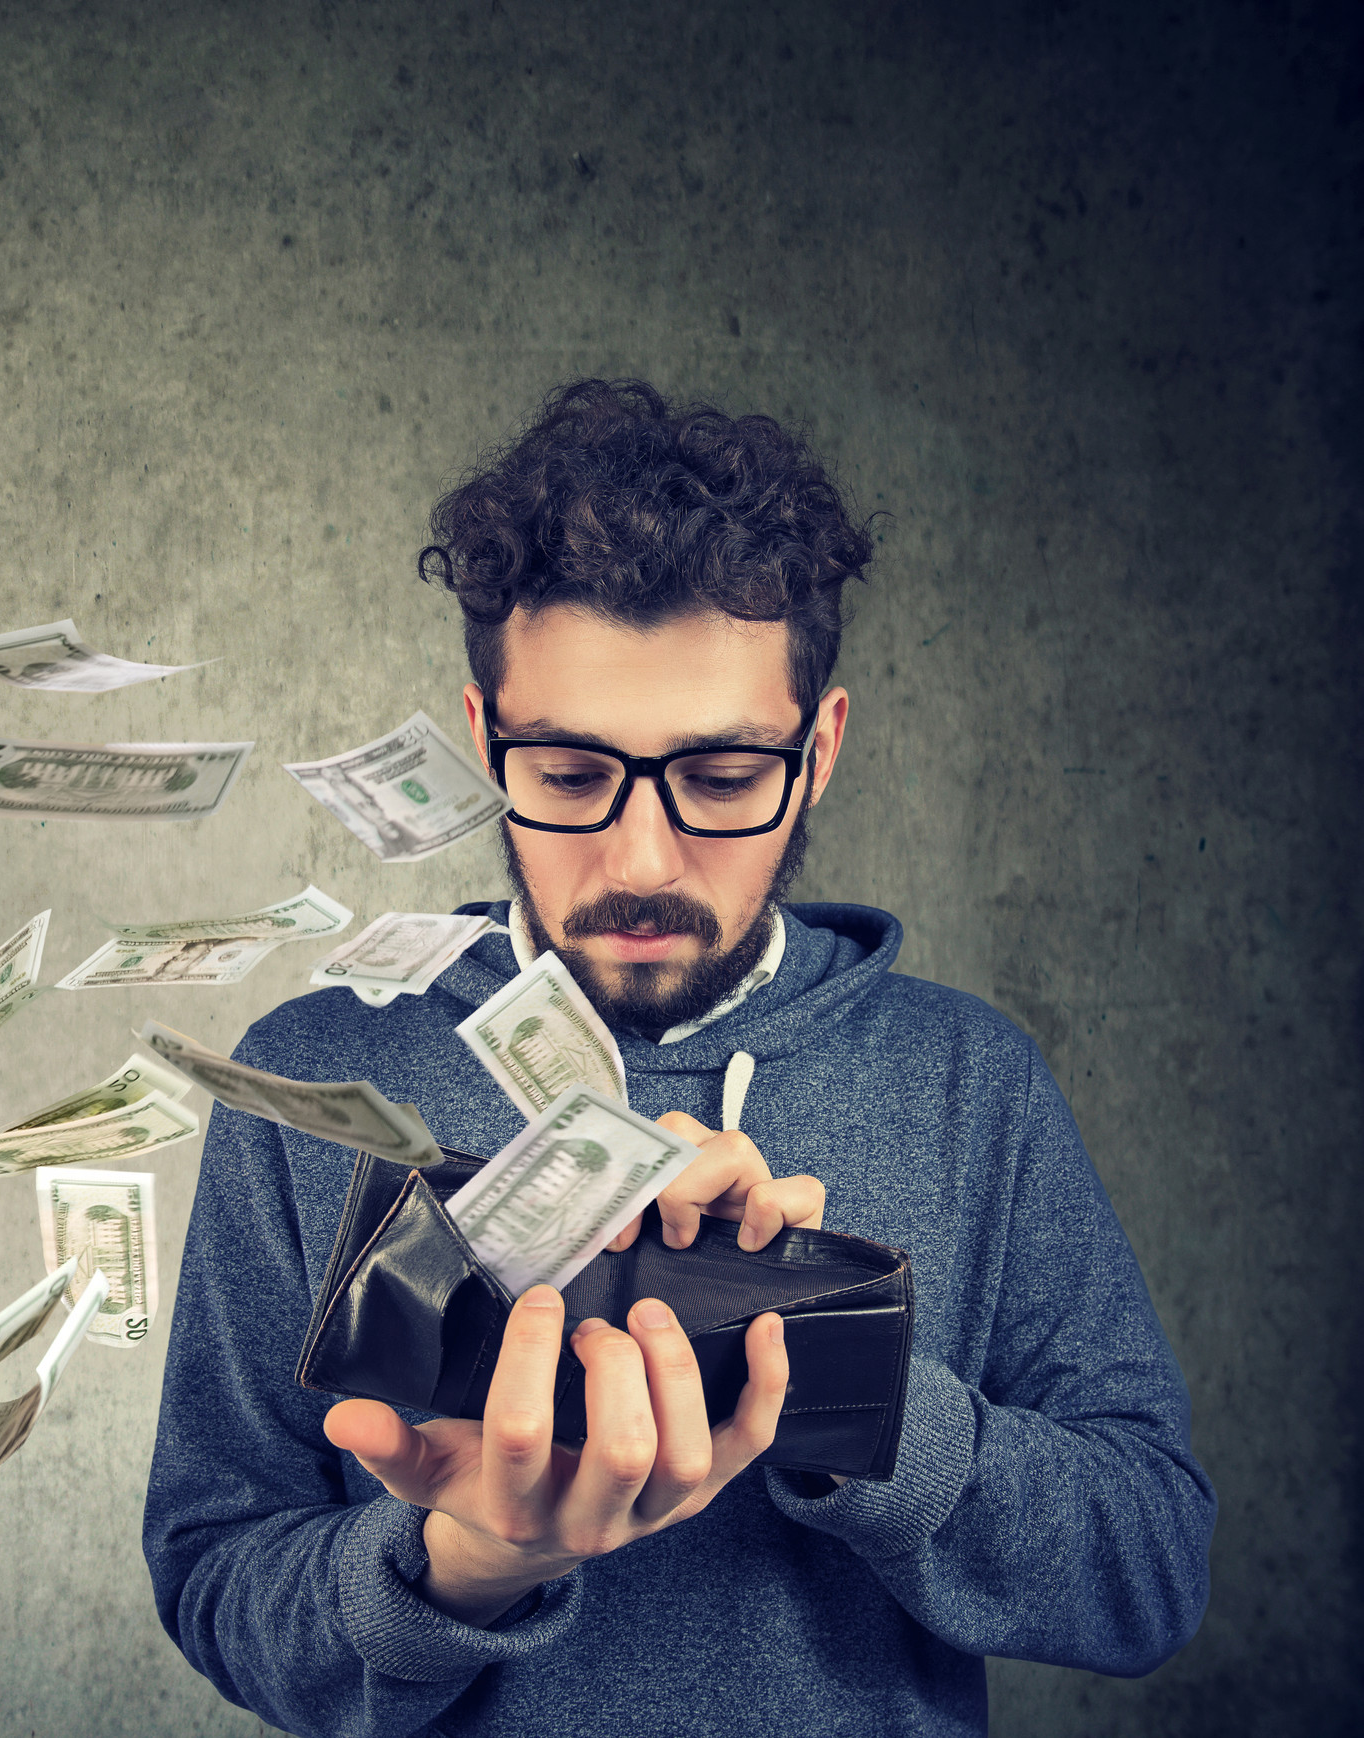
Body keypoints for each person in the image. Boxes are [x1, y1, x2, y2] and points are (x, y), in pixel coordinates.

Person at [143, 379, 1214, 1737]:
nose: (641, 859)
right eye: (573, 774)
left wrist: (821, 1362)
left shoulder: (971, 1083)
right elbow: (215, 1578)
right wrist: (461, 1568)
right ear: (483, 745)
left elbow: (1149, 1568)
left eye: (717, 778)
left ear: (816, 751)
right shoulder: (312, 1078)